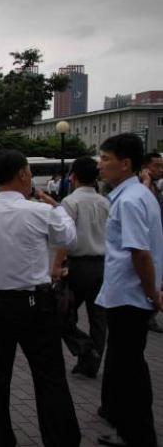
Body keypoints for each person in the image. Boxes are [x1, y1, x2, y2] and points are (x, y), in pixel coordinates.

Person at [0, 150, 80, 447]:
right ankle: (60, 439)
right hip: (35, 305)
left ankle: (0, 438)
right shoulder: (40, 211)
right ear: (24, 174)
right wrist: (57, 207)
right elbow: (70, 240)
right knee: (49, 376)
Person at [95, 134, 163, 447]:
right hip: (127, 295)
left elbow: (140, 253)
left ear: (125, 164)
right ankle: (128, 430)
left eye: (106, 159)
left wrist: (152, 294)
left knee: (131, 370)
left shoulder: (133, 199)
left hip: (130, 298)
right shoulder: (135, 193)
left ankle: (140, 437)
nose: (100, 165)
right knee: (127, 367)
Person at [47, 157, 110, 380]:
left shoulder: (70, 202)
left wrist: (56, 265)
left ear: (73, 176)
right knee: (98, 317)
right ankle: (92, 362)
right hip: (102, 264)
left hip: (77, 265)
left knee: (62, 313)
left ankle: (84, 347)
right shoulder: (106, 202)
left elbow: (66, 236)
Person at [141, 152, 163, 334]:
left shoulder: (157, 187)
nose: (160, 169)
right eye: (157, 165)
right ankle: (148, 315)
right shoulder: (142, 188)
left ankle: (151, 314)